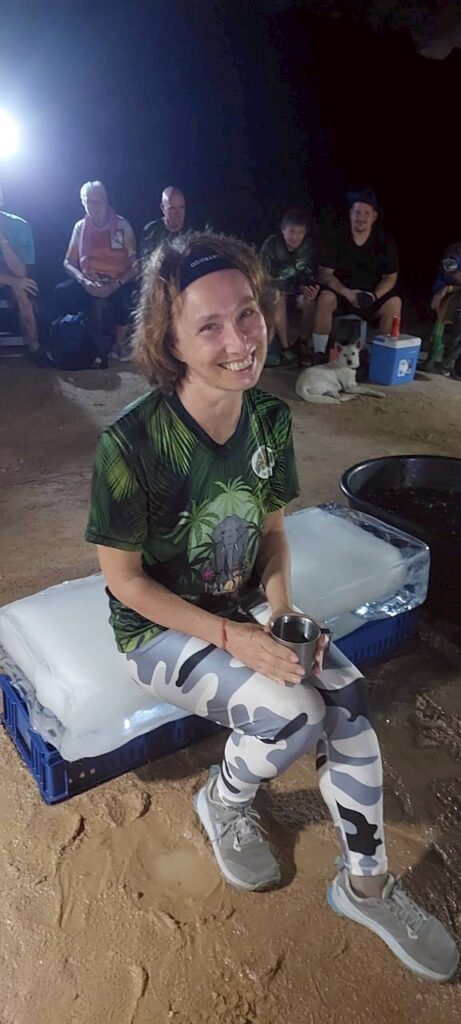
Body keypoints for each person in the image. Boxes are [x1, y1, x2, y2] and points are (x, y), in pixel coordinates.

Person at [85, 231, 457, 983]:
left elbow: (274, 531)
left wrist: (282, 617)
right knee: (294, 714)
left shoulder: (268, 418)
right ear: (170, 341)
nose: (239, 341)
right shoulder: (132, 444)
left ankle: (365, 887)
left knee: (345, 696)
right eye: (209, 326)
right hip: (159, 630)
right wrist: (235, 638)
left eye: (247, 314)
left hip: (244, 604)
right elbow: (125, 581)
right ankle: (223, 799)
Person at [313, 188, 401, 363]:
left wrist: (374, 296)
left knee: (394, 303)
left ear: (374, 217)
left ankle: (381, 360)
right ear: (350, 214)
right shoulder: (336, 236)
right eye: (357, 212)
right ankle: (319, 353)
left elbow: (391, 277)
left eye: (366, 213)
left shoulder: (385, 241)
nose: (361, 217)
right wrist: (348, 293)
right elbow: (325, 275)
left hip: (371, 296)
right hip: (343, 294)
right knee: (325, 298)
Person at [56, 181, 138, 360]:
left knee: (127, 299)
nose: (94, 206)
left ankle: (120, 344)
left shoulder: (122, 225)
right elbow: (68, 262)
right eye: (89, 202)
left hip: (117, 279)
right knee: (63, 292)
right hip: (90, 279)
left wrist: (116, 283)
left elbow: (135, 265)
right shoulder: (80, 227)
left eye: (97, 201)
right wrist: (84, 281)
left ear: (105, 201)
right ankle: (78, 339)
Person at [260, 208, 319, 366]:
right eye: (292, 231)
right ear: (283, 230)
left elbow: (311, 275)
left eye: (300, 232)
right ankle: (285, 347)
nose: (296, 236)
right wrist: (276, 287)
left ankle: (302, 343)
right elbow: (262, 276)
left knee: (309, 299)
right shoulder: (272, 244)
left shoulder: (309, 247)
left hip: (297, 290)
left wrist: (311, 288)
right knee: (278, 297)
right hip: (274, 290)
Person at [0, 183, 45, 365]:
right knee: (18, 284)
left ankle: (35, 347)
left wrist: (2, 241)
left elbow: (21, 272)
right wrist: (11, 280)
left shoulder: (19, 226)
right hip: (7, 278)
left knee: (23, 290)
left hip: (11, 276)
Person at [426, 241, 461, 375]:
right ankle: (446, 363)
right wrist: (451, 288)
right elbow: (456, 276)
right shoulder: (454, 252)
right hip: (447, 296)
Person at [141, 186, 187, 259]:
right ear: (163, 208)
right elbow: (145, 260)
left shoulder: (194, 230)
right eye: (172, 208)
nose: (178, 213)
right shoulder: (152, 231)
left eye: (182, 207)